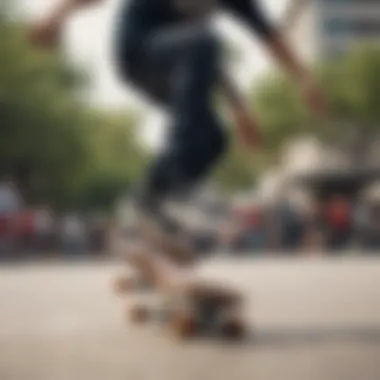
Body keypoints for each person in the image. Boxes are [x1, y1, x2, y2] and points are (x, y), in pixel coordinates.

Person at [30, 0, 326, 264]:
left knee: (213, 138)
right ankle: (176, 183)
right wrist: (55, 15)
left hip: (175, 65)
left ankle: (152, 201)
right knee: (203, 43)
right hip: (137, 52)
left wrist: (295, 83)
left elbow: (269, 37)